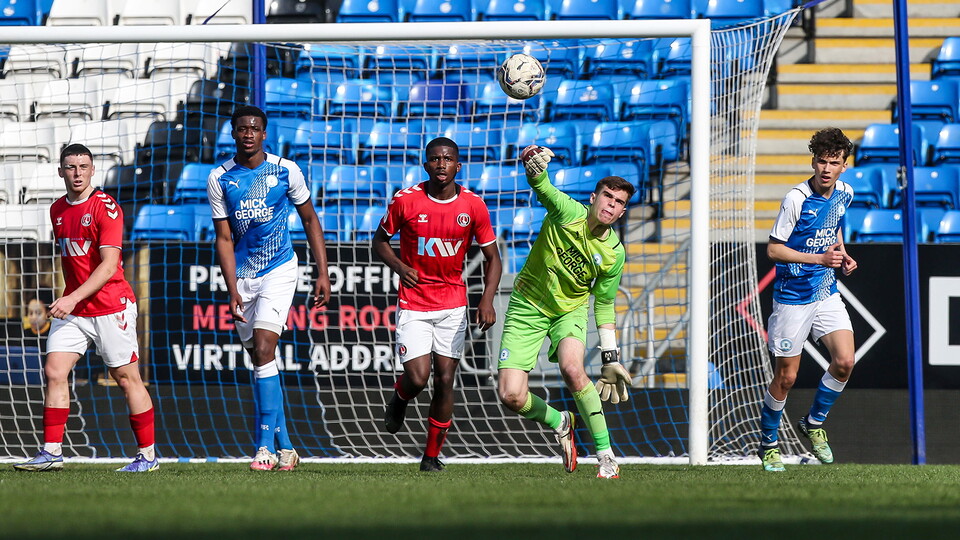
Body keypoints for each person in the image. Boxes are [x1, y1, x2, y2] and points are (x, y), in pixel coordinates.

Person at [14, 144, 157, 473]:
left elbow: (108, 267)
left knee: (126, 378)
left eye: (83, 166)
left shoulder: (106, 208)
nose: (77, 173)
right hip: (76, 309)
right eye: (70, 167)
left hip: (110, 305)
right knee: (54, 372)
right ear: (60, 171)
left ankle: (147, 456)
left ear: (93, 170)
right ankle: (51, 452)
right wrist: (72, 299)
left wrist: (71, 298)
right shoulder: (57, 210)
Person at [496, 145, 634, 479]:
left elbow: (602, 303)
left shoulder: (614, 254)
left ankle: (605, 456)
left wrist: (610, 357)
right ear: (593, 197)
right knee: (511, 395)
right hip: (528, 304)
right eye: (607, 197)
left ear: (621, 213)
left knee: (573, 369)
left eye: (618, 203)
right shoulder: (565, 211)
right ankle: (561, 422)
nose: (611, 205)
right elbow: (541, 184)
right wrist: (531, 162)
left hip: (569, 311)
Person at [207, 105, 332, 472]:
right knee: (261, 359)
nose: (248, 134)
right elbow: (224, 237)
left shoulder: (285, 170)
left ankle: (263, 448)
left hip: (280, 267)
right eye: (242, 128)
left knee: (264, 348)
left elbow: (309, 219)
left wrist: (322, 272)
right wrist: (232, 289)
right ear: (233, 133)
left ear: (264, 133)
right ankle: (287, 446)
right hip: (244, 276)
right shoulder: (219, 178)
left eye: (255, 128)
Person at [374, 137, 502, 472]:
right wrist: (400, 267)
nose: (441, 164)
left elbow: (493, 258)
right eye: (435, 159)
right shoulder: (405, 201)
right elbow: (379, 242)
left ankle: (431, 456)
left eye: (448, 159)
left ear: (458, 166)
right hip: (414, 302)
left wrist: (486, 299)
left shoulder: (473, 205)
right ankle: (399, 399)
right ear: (426, 164)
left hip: (453, 303)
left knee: (446, 379)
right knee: (417, 378)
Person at [758, 127, 858, 472]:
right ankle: (768, 443)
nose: (827, 168)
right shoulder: (796, 198)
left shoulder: (845, 192)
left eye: (834, 162)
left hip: (826, 292)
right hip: (792, 298)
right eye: (821, 161)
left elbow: (833, 229)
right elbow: (773, 248)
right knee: (786, 377)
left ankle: (814, 423)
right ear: (813, 162)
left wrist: (842, 255)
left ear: (844, 165)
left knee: (845, 361)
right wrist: (818, 259)